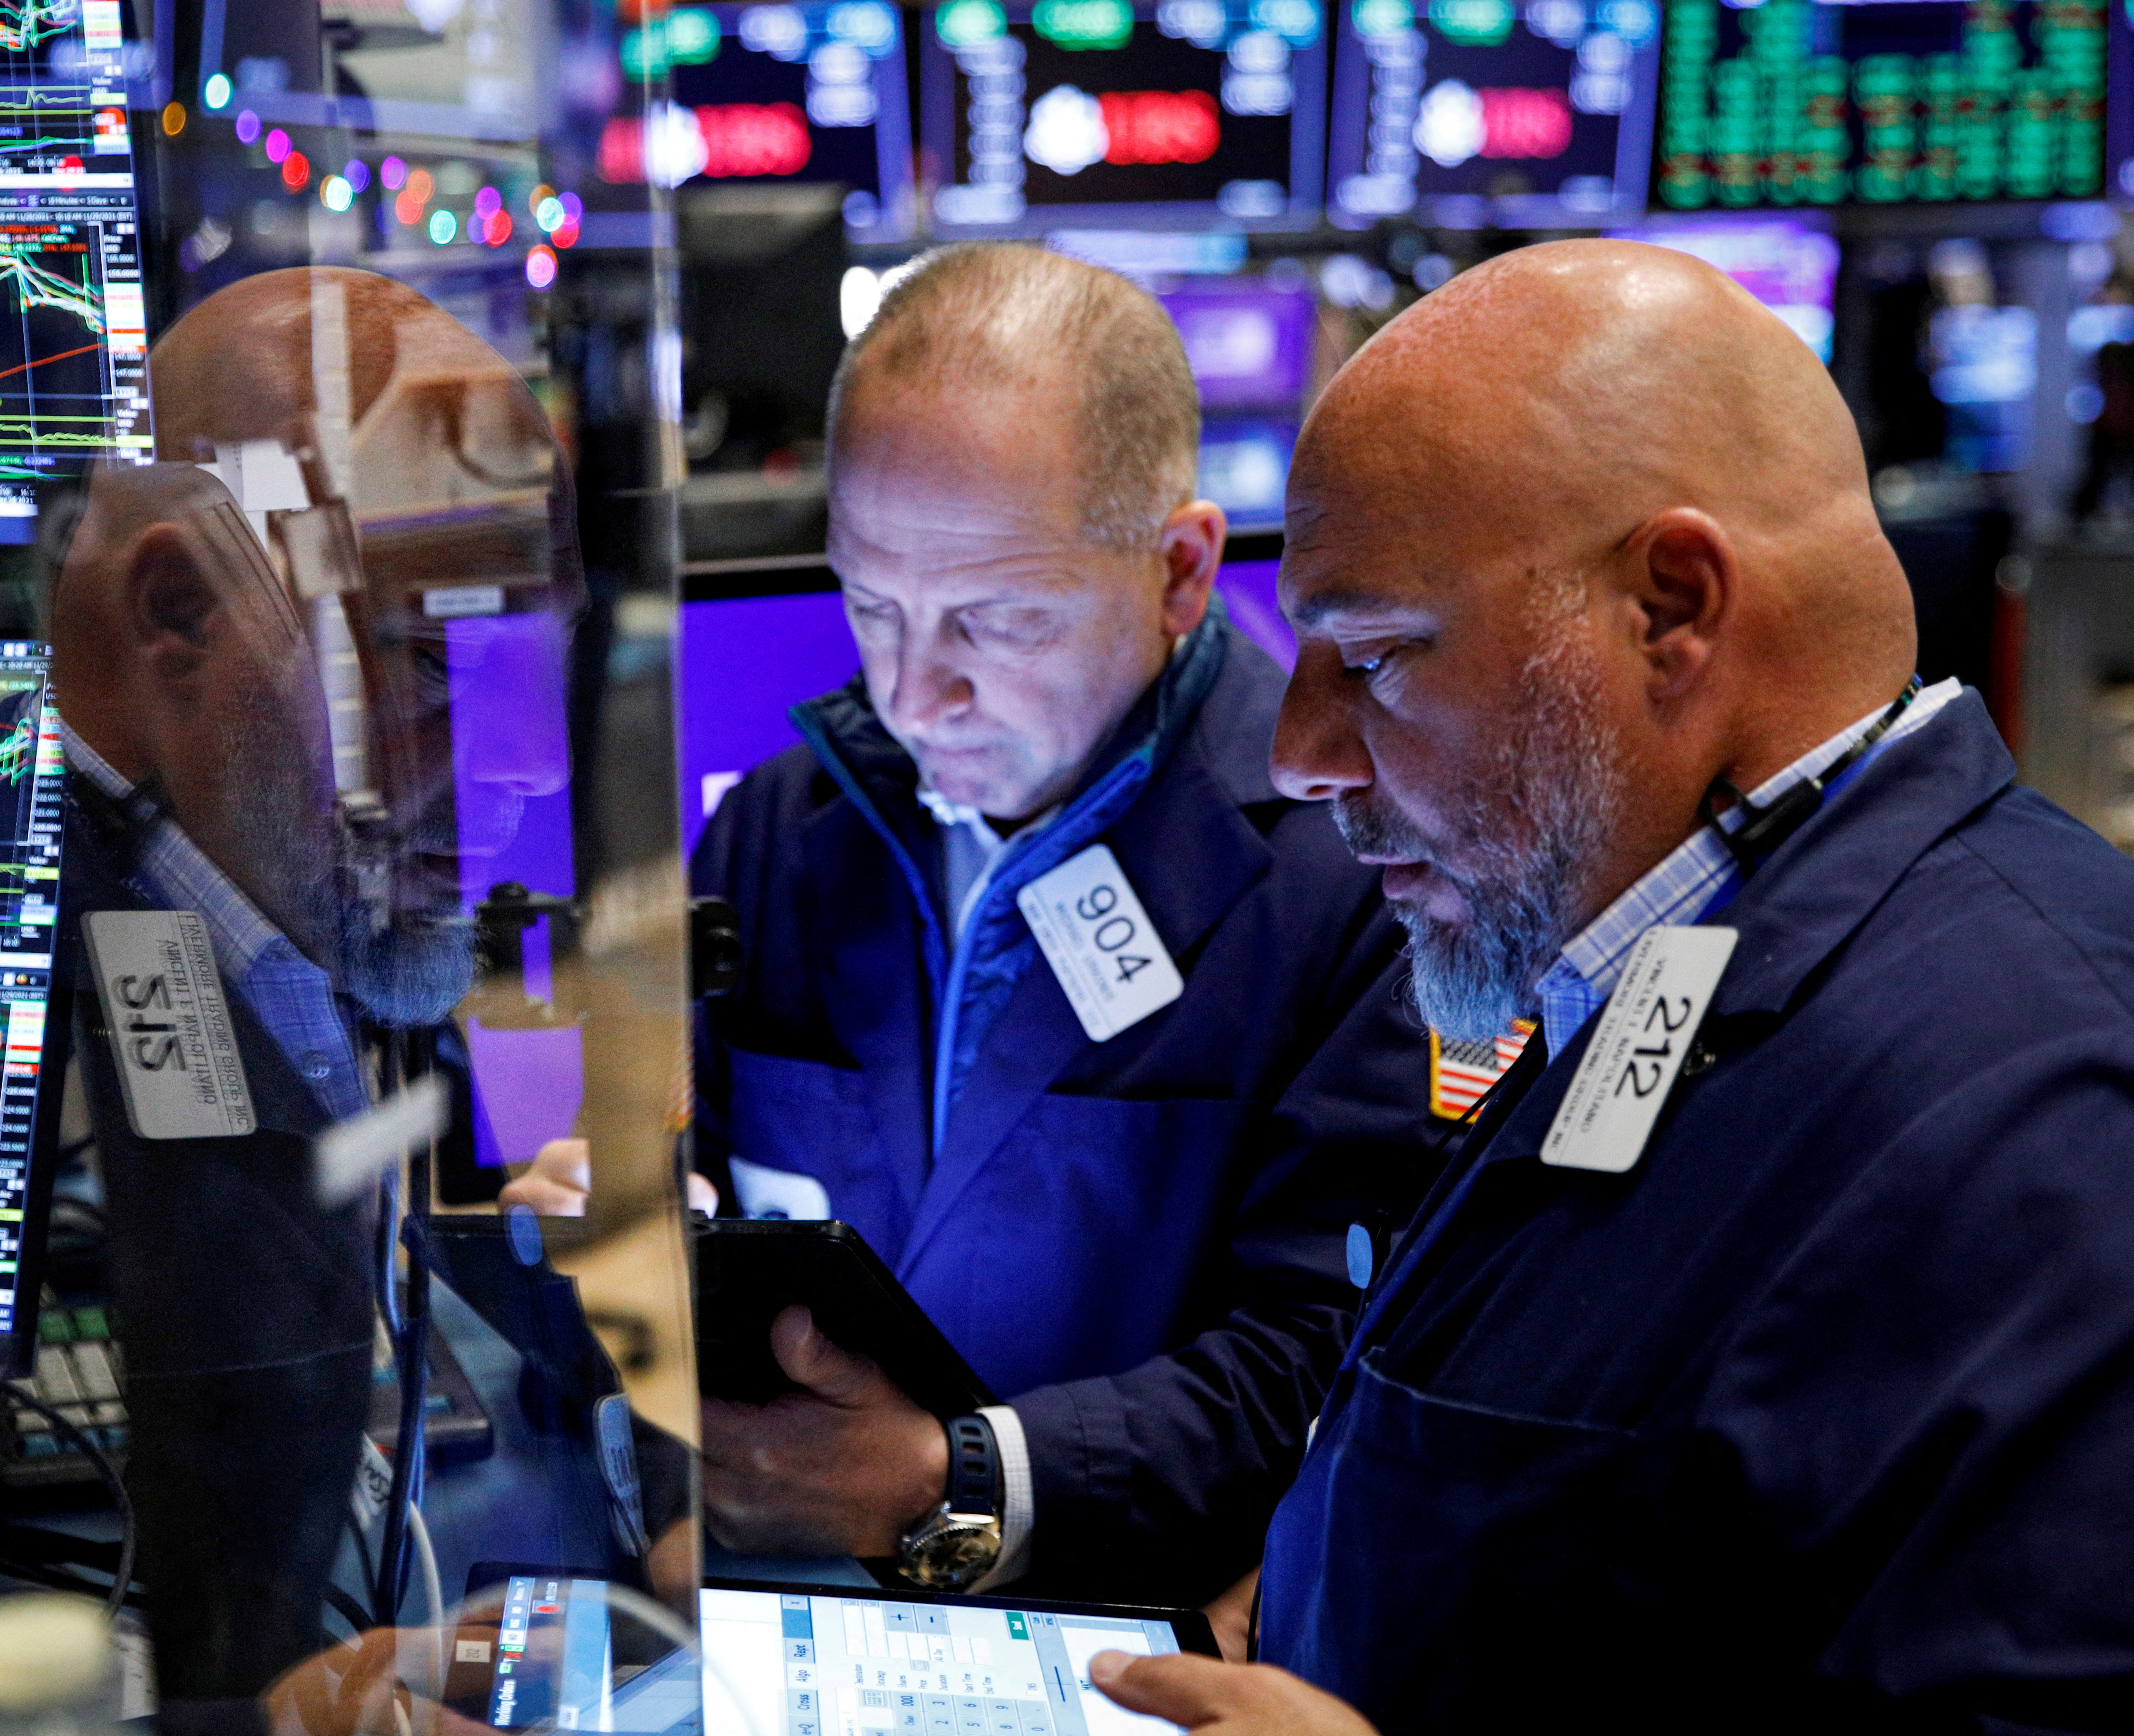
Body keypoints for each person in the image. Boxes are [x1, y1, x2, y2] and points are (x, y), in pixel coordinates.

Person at [1088, 239, 2134, 1734]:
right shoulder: (1663, 943)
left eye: (1376, 655)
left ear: (1669, 607)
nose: (1300, 752)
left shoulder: (2064, 1125)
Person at [510, 242, 1443, 1609]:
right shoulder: (775, 826)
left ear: (1181, 570)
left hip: (1134, 1640)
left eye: (996, 621)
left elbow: (1334, 1356)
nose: (912, 694)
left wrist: (959, 1477)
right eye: (871, 605)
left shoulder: (1358, 871)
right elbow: (659, 1165)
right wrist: (608, 1230)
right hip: (787, 1609)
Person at [52, 267, 593, 1733]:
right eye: (428, 657)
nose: (528, 764)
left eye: (529, 659)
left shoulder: (270, 910)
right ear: (179, 610)